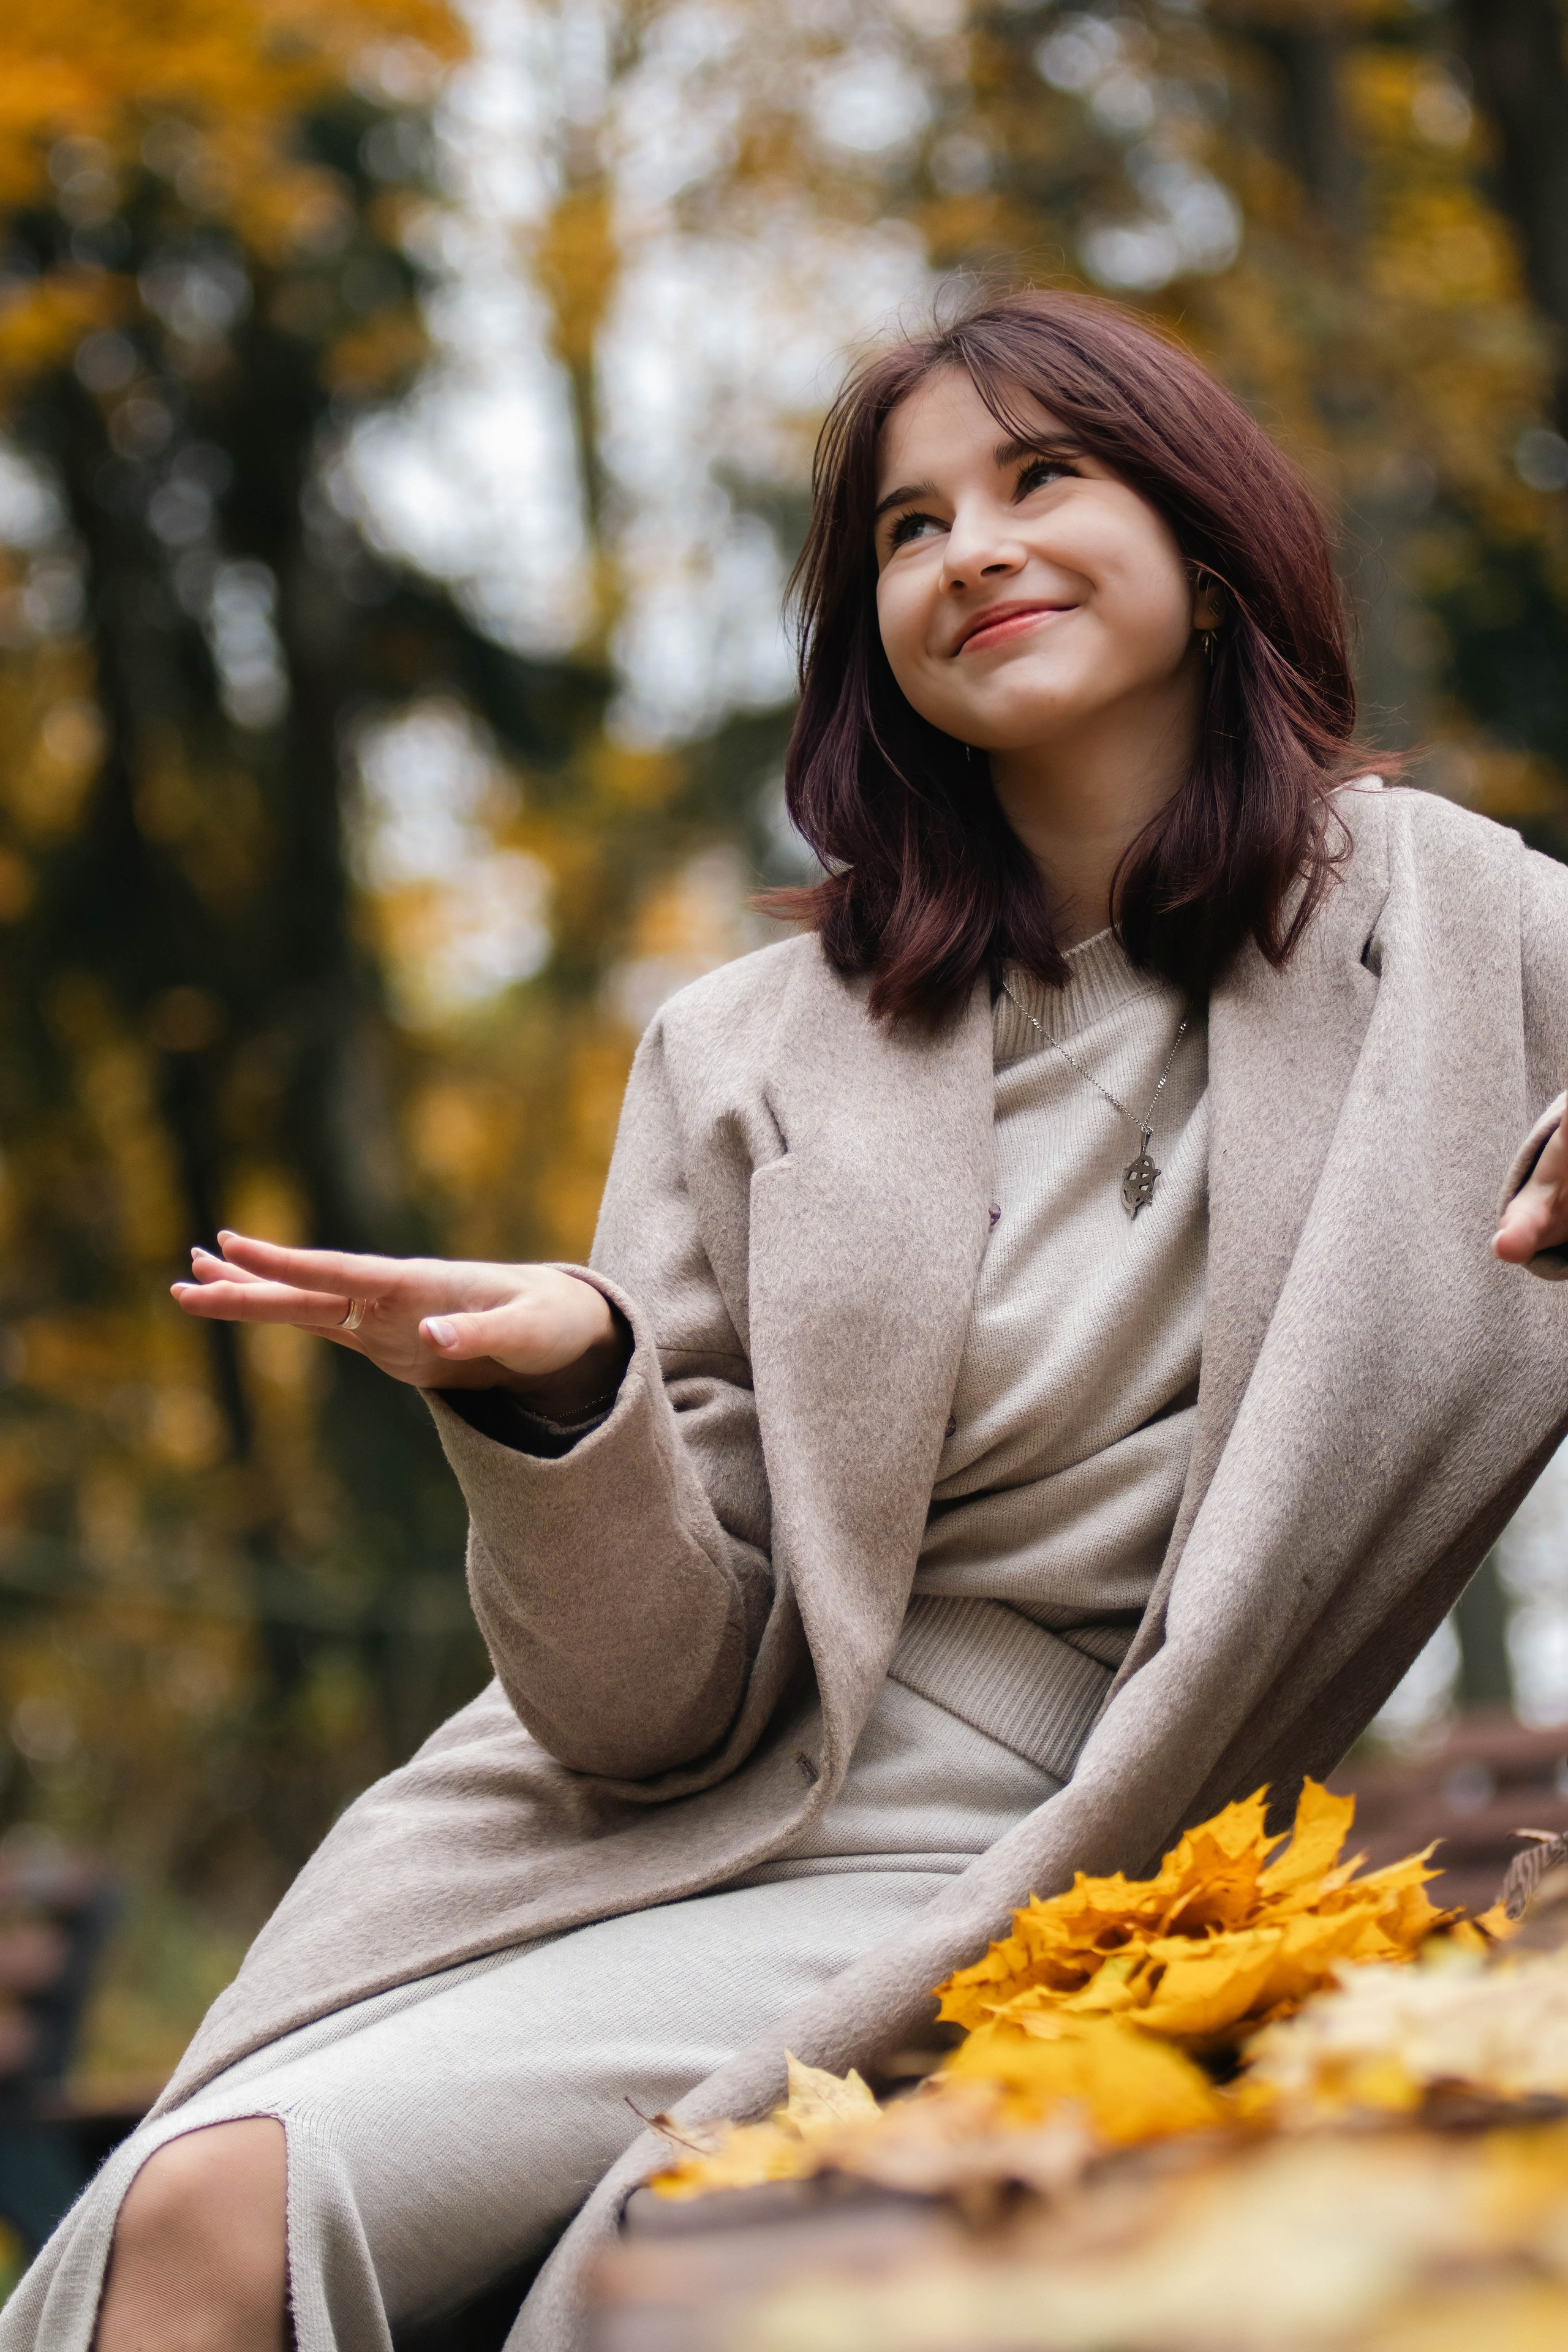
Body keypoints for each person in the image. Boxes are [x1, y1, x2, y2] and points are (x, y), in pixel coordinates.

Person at [9, 286, 1568, 2352]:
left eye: (1042, 478)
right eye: (907, 531)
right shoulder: (752, 1049)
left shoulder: (1474, 929)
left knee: (395, 2241)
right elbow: (654, 1706)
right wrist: (575, 1401)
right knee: (201, 2213)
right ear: (872, 644)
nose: (972, 550)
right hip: (656, 1822)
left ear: (1208, 554)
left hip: (1053, 1835)